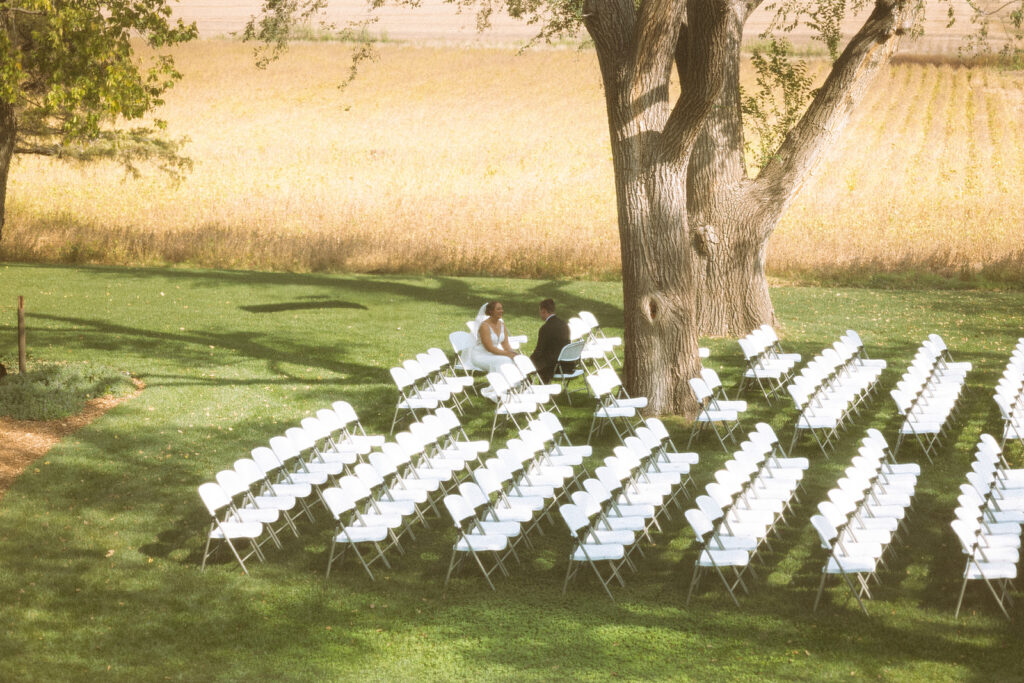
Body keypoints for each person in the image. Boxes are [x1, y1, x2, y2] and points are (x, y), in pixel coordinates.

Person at [469, 301, 519, 372]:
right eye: (498, 309)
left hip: (493, 354)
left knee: (516, 359)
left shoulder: (502, 324)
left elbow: (506, 345)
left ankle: (517, 381)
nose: (501, 311)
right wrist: (508, 354)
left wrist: (513, 353)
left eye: (501, 309)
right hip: (481, 356)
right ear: (491, 311)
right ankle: (501, 382)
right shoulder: (484, 326)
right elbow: (490, 348)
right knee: (505, 360)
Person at [530, 298, 571, 383]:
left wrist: (528, 360)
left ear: (544, 311)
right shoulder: (564, 324)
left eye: (540, 311)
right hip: (566, 364)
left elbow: (539, 350)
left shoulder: (545, 328)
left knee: (524, 367)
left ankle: (532, 390)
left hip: (553, 366)